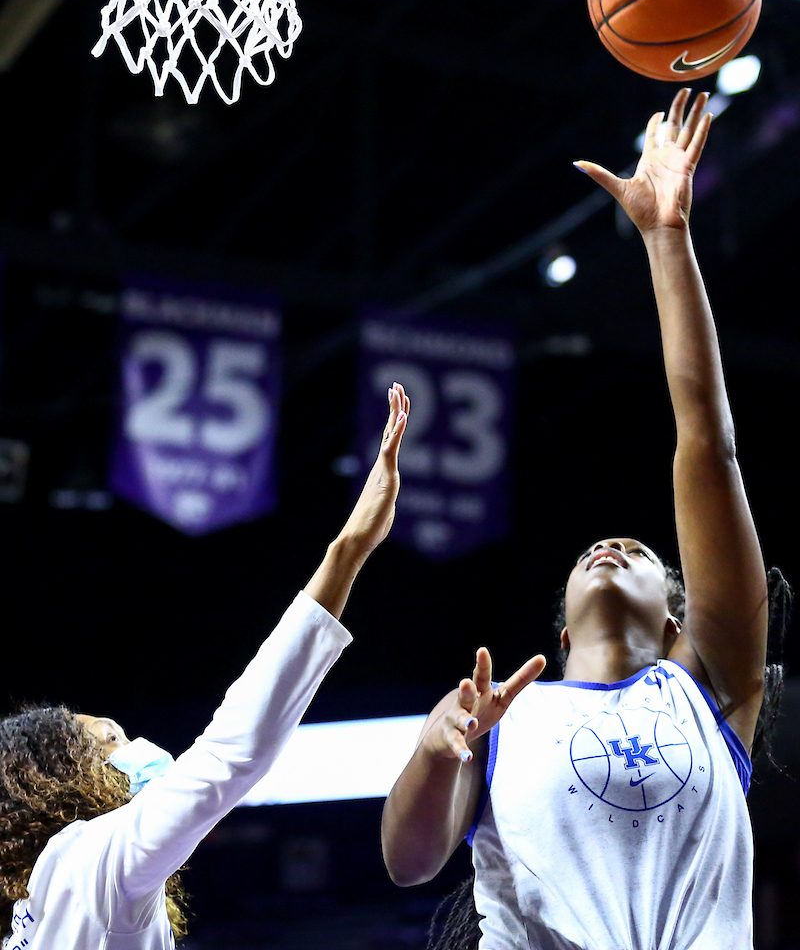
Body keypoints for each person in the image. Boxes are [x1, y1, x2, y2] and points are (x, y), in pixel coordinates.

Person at [382, 89, 780, 950]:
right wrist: (435, 749)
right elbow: (409, 863)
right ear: (559, 634)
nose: (610, 547)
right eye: (595, 551)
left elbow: (706, 441)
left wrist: (667, 239)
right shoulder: (502, 718)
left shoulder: (708, 687)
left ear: (677, 619)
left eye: (636, 552)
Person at [0, 384, 410, 950]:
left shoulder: (35, 908)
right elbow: (232, 750)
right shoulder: (92, 860)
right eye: (114, 741)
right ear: (66, 783)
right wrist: (349, 548)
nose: (142, 747)